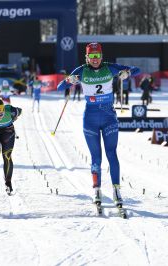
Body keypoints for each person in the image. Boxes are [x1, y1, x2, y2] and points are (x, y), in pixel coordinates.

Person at [57, 42, 140, 208]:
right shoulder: (81, 71)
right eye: (92, 56)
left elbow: (137, 70)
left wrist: (127, 73)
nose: (95, 59)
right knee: (96, 157)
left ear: (101, 56)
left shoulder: (110, 68)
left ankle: (117, 190)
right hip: (91, 118)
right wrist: (69, 80)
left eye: (97, 56)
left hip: (109, 117)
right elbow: (60, 87)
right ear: (87, 57)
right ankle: (97, 190)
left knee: (111, 153)